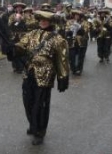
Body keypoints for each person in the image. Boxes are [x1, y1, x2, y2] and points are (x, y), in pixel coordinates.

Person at [8, 10, 69, 145]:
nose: (42, 22)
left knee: (40, 105)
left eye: (45, 20)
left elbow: (62, 60)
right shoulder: (31, 34)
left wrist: (63, 77)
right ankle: (33, 123)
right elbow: (21, 46)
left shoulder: (58, 40)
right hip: (29, 72)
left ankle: (40, 131)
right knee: (27, 101)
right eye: (40, 19)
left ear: (51, 22)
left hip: (45, 75)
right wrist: (13, 47)